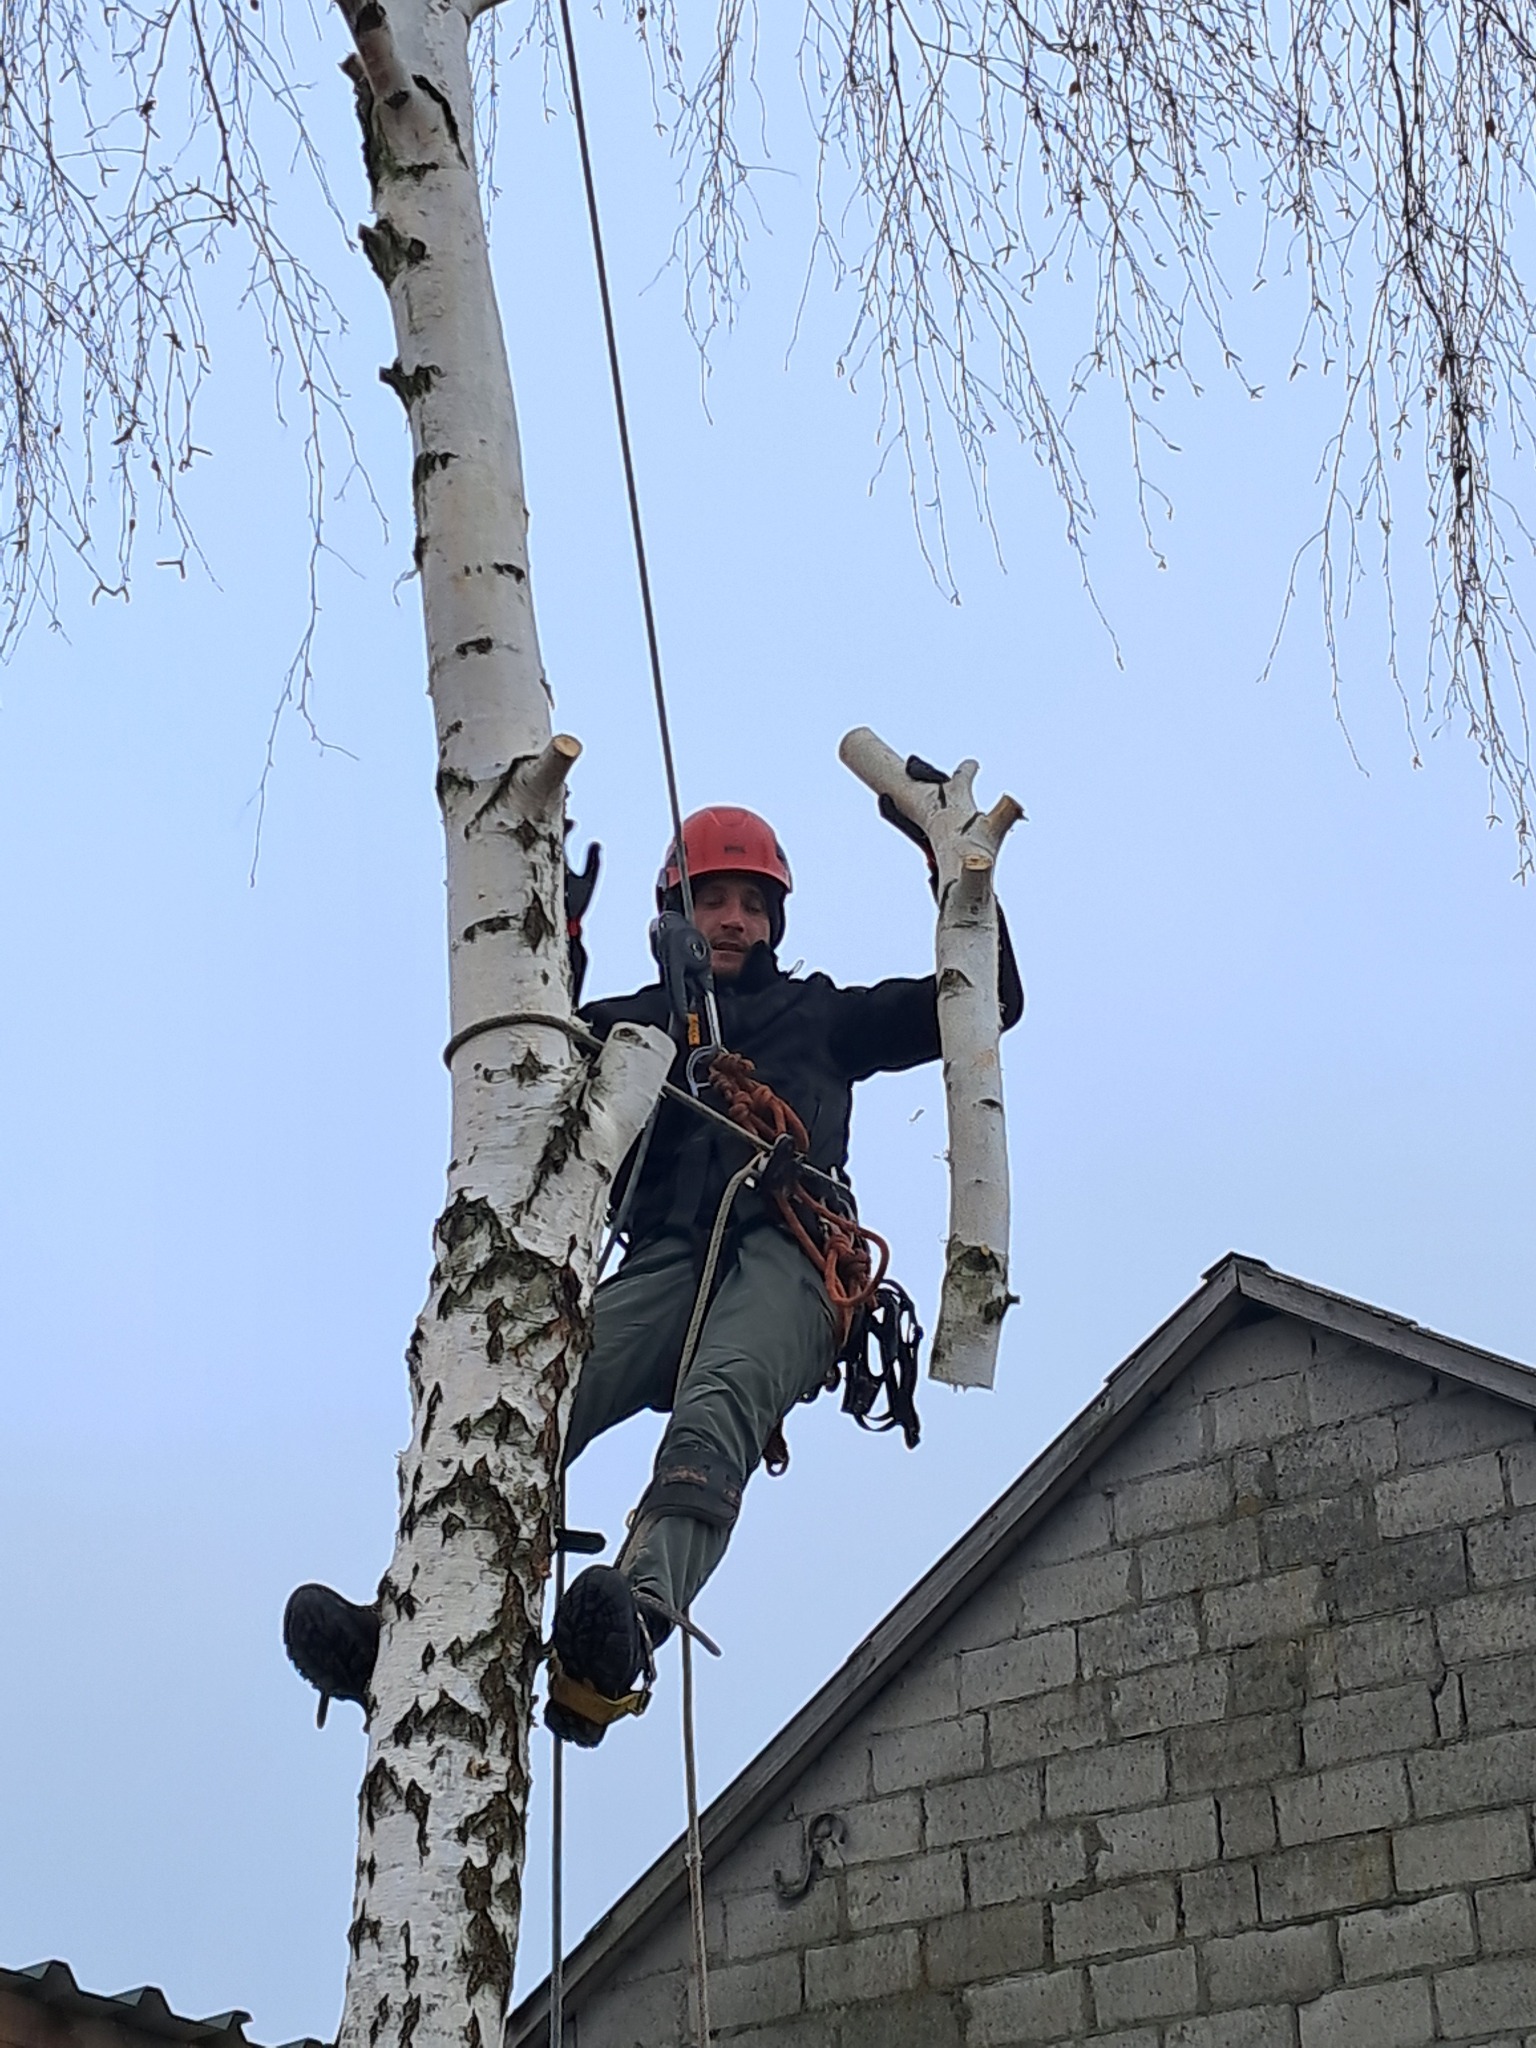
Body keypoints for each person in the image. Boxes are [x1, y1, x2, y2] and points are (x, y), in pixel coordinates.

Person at [283, 798, 1023, 1747]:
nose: (733, 921)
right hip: (668, 1258)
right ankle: (415, 1616)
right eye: (713, 900)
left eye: (752, 905)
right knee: (537, 1390)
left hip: (790, 1256)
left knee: (716, 1406)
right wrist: (555, 931)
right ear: (677, 909)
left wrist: (956, 881)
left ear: (774, 923)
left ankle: (619, 1639)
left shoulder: (822, 1016)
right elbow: (532, 1050)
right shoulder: (632, 1023)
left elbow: (985, 1002)